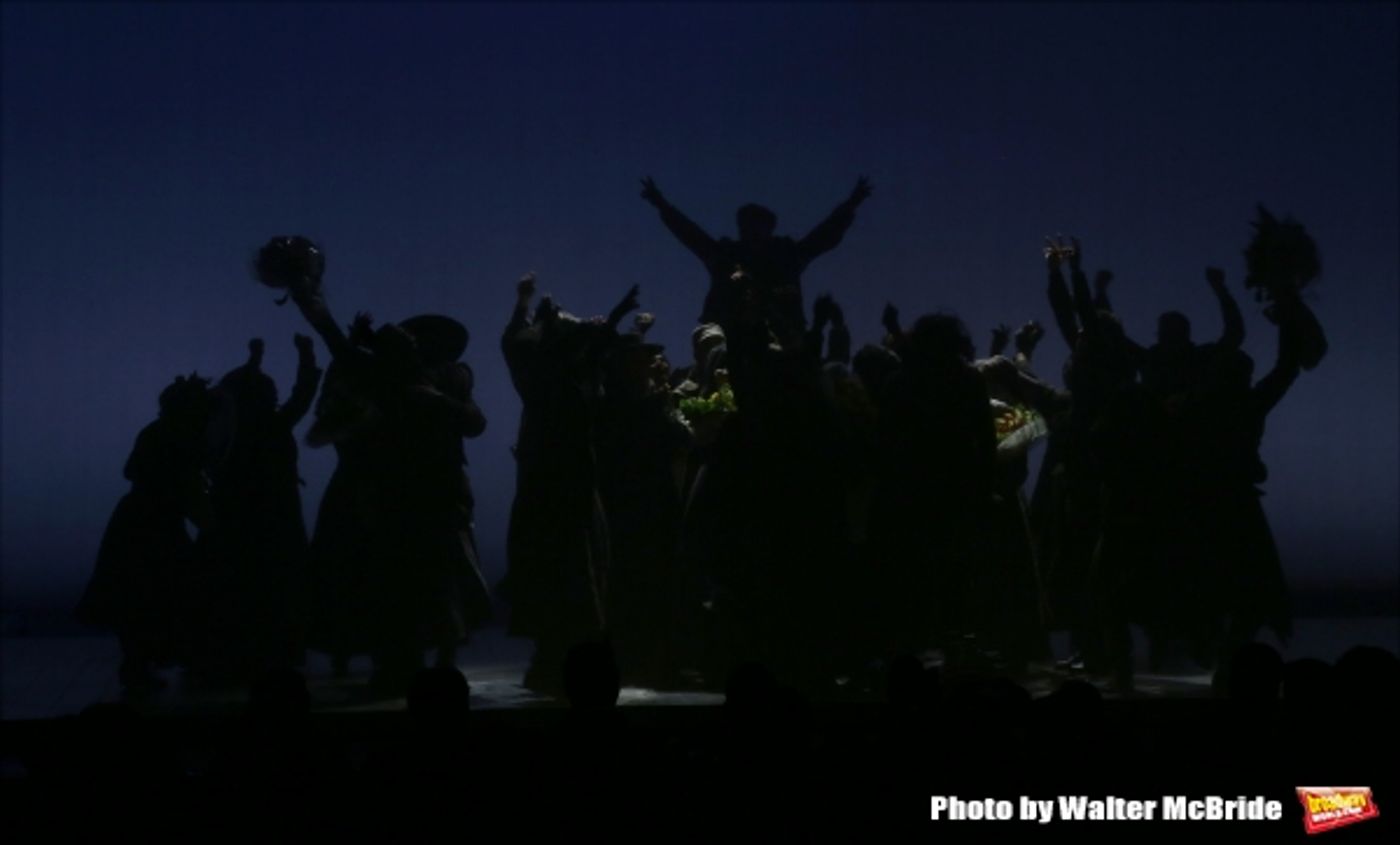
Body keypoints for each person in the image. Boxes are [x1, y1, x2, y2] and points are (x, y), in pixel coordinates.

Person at [76, 374, 214, 692]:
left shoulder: (154, 432)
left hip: (133, 518)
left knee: (136, 595)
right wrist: (209, 523)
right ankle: (151, 664)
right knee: (160, 592)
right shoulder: (180, 438)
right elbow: (188, 487)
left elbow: (131, 470)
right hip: (158, 524)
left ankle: (138, 666)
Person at [640, 176, 872, 337]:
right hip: (730, 335)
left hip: (783, 336)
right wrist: (662, 205)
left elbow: (823, 234)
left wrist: (851, 205)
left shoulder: (786, 256)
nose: (749, 230)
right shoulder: (726, 256)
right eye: (745, 225)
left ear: (768, 228)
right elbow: (690, 233)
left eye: (755, 224)